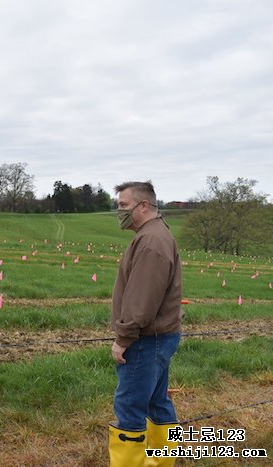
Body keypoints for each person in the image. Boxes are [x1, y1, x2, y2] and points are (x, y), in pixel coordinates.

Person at [108, 181, 183, 467]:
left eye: (123, 206)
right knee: (156, 402)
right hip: (159, 337)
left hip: (145, 340)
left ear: (143, 206)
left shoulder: (151, 241)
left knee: (130, 408)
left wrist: (123, 339)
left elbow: (142, 300)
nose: (119, 211)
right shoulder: (154, 235)